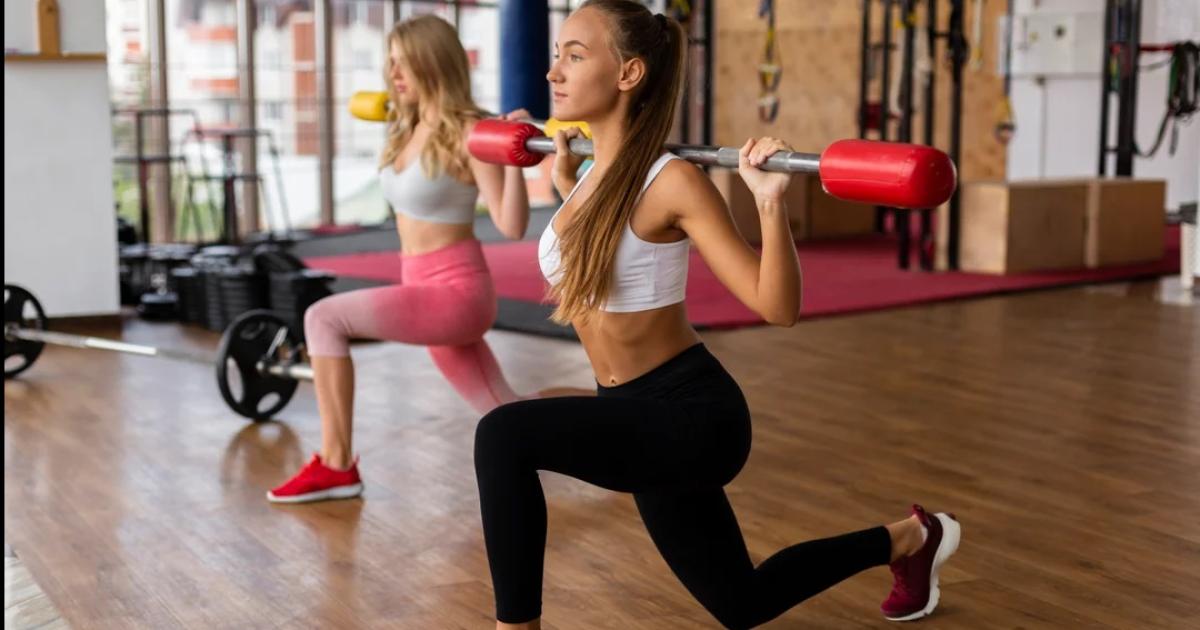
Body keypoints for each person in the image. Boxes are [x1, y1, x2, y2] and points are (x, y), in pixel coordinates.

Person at [471, 2, 961, 627]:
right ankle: (911, 539)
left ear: (628, 73)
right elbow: (609, 251)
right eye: (557, 53)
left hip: (691, 418)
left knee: (504, 436)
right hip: (630, 414)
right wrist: (568, 185)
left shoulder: (674, 181)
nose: (552, 72)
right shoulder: (593, 174)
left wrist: (769, 202)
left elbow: (776, 306)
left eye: (574, 54)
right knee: (741, 603)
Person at [269, 14, 560, 503]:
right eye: (390, 64)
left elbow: (511, 224)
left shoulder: (470, 132)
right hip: (422, 289)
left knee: (323, 318)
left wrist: (513, 158)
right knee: (508, 411)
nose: (392, 75)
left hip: (455, 294)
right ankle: (618, 417)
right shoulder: (405, 125)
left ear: (432, 66)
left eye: (403, 64)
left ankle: (337, 464)